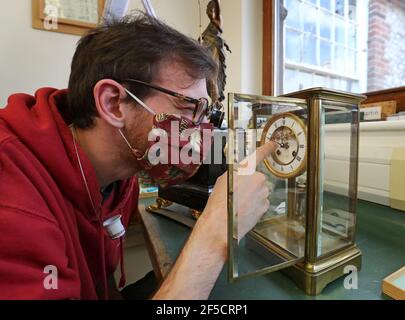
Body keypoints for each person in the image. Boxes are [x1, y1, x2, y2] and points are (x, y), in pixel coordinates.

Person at [0, 13, 274, 300]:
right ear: (114, 103)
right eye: (188, 106)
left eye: (205, 114)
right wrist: (217, 230)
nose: (202, 130)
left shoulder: (123, 171)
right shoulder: (13, 197)